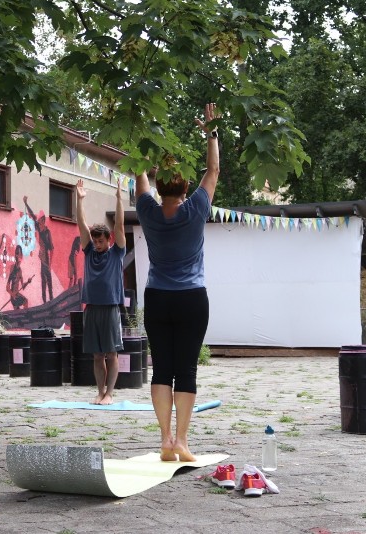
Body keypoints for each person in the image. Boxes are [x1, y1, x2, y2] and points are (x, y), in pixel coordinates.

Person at [135, 102, 220, 462]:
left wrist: (136, 140)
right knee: (186, 369)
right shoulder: (196, 209)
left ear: (158, 186)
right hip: (191, 299)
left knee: (162, 368)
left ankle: (165, 439)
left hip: (157, 297)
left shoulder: (148, 212)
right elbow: (213, 170)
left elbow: (137, 176)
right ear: (185, 187)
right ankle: (182, 441)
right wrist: (211, 132)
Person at [75, 177, 126, 405]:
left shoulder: (116, 253)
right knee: (97, 355)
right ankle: (99, 391)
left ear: (108, 240)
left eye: (100, 240)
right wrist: (79, 199)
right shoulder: (88, 252)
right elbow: (81, 224)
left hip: (110, 307)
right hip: (92, 307)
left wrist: (118, 198)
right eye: (94, 240)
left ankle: (110, 394)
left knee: (112, 353)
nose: (96, 243)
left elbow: (120, 226)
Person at [24, 196, 55, 303]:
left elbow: (52, 249)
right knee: (43, 281)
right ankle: (45, 302)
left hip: (46, 258)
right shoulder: (39, 228)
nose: (40, 223)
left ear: (43, 220)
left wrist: (50, 264)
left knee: (49, 281)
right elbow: (32, 215)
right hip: (42, 258)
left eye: (41, 221)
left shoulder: (47, 232)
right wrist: (26, 203)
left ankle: (51, 301)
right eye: (39, 221)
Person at [6, 245, 32, 310]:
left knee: (24, 304)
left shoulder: (20, 271)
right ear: (15, 256)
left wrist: (28, 282)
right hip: (13, 297)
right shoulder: (12, 268)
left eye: (20, 254)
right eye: (17, 254)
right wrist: (12, 294)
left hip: (17, 295)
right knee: (25, 302)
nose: (19, 256)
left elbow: (23, 287)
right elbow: (7, 287)